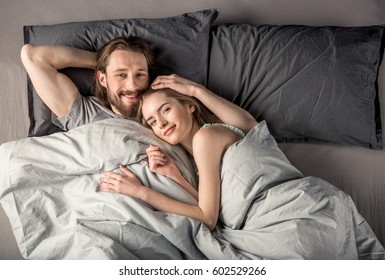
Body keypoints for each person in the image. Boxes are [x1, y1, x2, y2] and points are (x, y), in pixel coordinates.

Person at [98, 74, 258, 231]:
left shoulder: (206, 137)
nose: (161, 123)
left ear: (190, 106)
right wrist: (175, 175)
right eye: (152, 121)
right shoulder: (196, 158)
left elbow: (208, 219)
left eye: (166, 110)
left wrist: (140, 192)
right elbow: (212, 212)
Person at [20, 36, 155, 130]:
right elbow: (32, 56)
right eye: (121, 74)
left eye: (140, 75)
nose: (132, 85)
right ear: (102, 79)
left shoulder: (164, 110)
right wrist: (103, 62)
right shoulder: (85, 115)